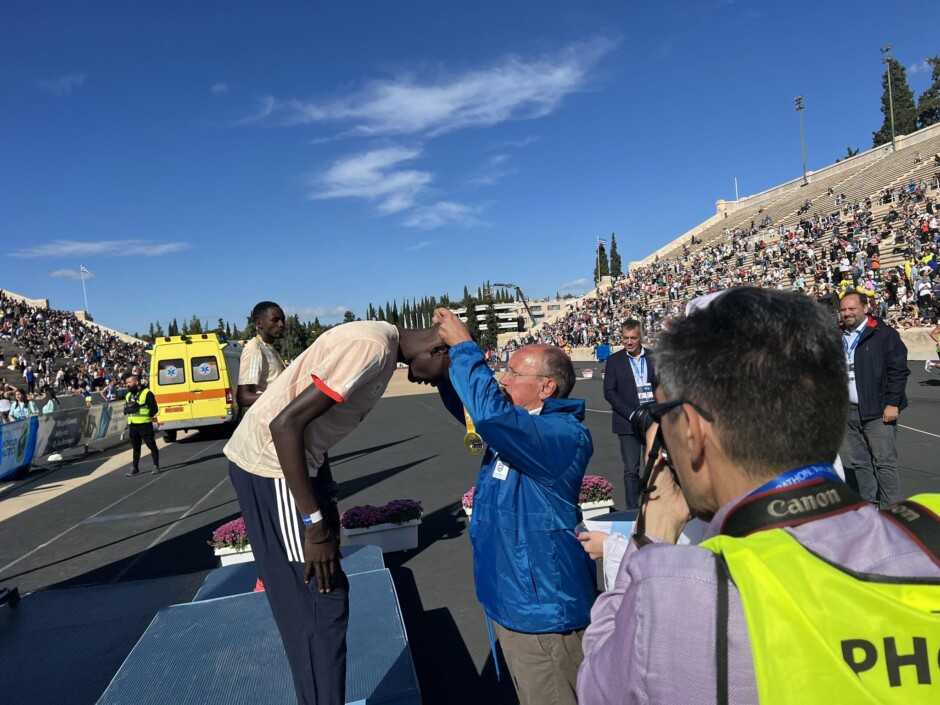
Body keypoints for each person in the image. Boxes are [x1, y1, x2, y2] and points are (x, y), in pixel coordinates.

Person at [577, 287, 939, 705]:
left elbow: (599, 687)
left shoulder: (673, 595)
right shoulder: (930, 523)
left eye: (664, 416)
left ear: (692, 434)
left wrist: (647, 539)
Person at [223, 320, 450, 705]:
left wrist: (323, 492)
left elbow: (313, 426)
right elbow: (286, 424)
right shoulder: (372, 348)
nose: (437, 384)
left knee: (308, 604)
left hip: (278, 467)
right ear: (438, 351)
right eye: (446, 376)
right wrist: (315, 527)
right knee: (320, 601)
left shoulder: (378, 342)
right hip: (273, 467)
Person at [432, 306, 596, 705]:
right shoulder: (521, 428)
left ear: (547, 387)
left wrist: (466, 348)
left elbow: (489, 415)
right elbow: (476, 412)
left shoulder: (560, 434)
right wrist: (444, 374)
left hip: (542, 613)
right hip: (513, 600)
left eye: (514, 373)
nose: (503, 379)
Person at [838, 291, 909, 507]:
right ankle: (868, 507)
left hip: (878, 411)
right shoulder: (837, 336)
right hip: (847, 411)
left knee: (884, 463)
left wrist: (892, 403)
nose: (847, 313)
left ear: (865, 308)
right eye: (843, 309)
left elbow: (898, 371)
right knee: (860, 463)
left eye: (852, 308)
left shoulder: (883, 334)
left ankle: (890, 510)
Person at [603, 320, 657, 509]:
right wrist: (632, 414)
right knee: (631, 470)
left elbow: (663, 386)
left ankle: (654, 507)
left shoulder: (653, 357)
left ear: (640, 337)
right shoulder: (614, 361)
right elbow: (609, 392)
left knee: (654, 467)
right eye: (625, 338)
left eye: (633, 338)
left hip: (652, 421)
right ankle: (633, 510)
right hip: (628, 422)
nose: (629, 342)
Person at [236, 301, 287, 410]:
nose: (281, 324)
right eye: (275, 320)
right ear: (259, 323)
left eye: (283, 319)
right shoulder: (254, 349)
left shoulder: (269, 348)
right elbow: (243, 397)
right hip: (265, 418)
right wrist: (281, 396)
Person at [124, 375, 160, 477]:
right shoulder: (128, 395)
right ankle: (135, 468)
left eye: (129, 382)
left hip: (144, 425)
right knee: (135, 447)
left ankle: (156, 466)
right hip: (133, 425)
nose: (127, 385)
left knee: (151, 445)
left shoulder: (147, 393)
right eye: (126, 383)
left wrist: (148, 416)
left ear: (136, 382)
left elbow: (154, 408)